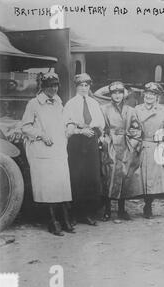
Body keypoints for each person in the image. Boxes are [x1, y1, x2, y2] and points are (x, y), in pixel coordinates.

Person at [21, 72, 73, 236]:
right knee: (48, 187)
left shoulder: (58, 102)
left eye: (56, 85)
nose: (53, 89)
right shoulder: (34, 104)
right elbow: (25, 127)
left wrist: (70, 126)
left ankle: (65, 219)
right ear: (43, 87)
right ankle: (52, 221)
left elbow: (66, 120)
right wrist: (41, 135)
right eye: (50, 86)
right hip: (42, 151)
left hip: (58, 150)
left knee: (61, 185)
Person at [64, 73, 105, 226]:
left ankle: (87, 213)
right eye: (81, 85)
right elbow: (66, 124)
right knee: (76, 177)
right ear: (76, 87)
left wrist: (93, 131)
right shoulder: (70, 104)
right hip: (76, 142)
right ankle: (74, 213)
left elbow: (100, 123)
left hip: (91, 141)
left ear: (89, 86)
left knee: (91, 177)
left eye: (86, 85)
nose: (84, 88)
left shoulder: (94, 103)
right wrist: (80, 129)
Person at [100, 81, 142, 221]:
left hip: (125, 145)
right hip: (110, 145)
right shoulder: (104, 109)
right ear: (110, 95)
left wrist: (132, 144)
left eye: (120, 92)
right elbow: (101, 128)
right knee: (108, 176)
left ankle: (122, 210)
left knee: (124, 176)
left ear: (124, 94)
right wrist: (106, 142)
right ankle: (107, 210)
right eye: (114, 93)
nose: (117, 95)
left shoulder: (130, 110)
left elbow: (136, 129)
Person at [128, 82, 164, 219]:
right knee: (142, 179)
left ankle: (149, 206)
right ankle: (144, 203)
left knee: (153, 180)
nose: (149, 96)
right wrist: (136, 141)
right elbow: (133, 127)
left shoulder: (163, 110)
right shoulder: (137, 109)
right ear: (143, 95)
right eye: (147, 93)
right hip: (142, 145)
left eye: (153, 94)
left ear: (157, 96)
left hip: (156, 146)